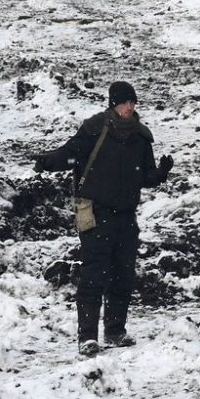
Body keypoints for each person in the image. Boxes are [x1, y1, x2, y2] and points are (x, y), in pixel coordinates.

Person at [36, 81, 173, 356]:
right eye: (124, 103)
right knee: (94, 275)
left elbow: (144, 177)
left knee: (122, 275)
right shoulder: (94, 128)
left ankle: (115, 330)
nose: (129, 107)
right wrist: (47, 161)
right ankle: (87, 336)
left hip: (126, 216)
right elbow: (70, 153)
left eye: (132, 103)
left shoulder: (141, 136)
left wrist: (160, 173)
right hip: (95, 212)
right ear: (113, 104)